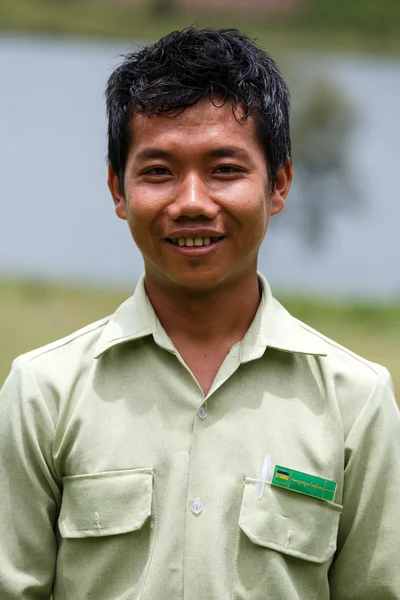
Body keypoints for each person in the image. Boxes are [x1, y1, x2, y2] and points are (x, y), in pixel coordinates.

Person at [0, 26, 399, 600]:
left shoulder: (356, 402)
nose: (191, 202)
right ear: (118, 189)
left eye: (225, 170)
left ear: (279, 184)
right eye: (158, 171)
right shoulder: (43, 393)